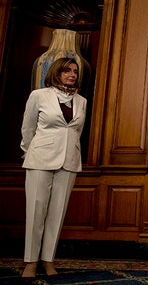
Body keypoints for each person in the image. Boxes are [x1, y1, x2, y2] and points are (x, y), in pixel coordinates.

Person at [20, 57, 87, 282]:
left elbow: (77, 132)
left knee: (57, 214)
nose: (72, 75)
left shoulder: (82, 101)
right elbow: (27, 129)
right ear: (56, 72)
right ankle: (30, 261)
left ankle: (48, 259)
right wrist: (31, 152)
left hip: (68, 161)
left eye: (75, 71)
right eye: (67, 70)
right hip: (40, 159)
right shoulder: (39, 96)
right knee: (36, 211)